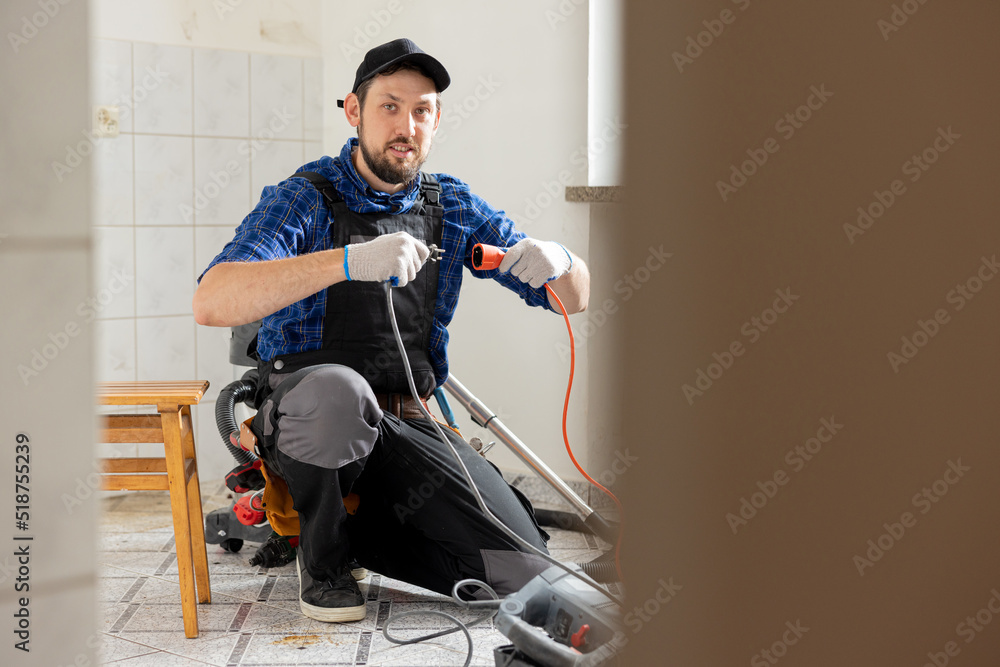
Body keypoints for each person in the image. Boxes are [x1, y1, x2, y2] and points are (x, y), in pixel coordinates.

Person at [193, 38, 590, 623]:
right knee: (337, 392)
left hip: (408, 422)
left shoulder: (449, 205)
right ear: (353, 112)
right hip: (313, 418)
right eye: (389, 106)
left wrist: (560, 259)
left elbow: (573, 300)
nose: (406, 125)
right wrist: (349, 261)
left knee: (522, 571)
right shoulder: (305, 199)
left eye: (421, 110)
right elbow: (212, 299)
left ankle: (358, 536)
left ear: (436, 119)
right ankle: (324, 566)